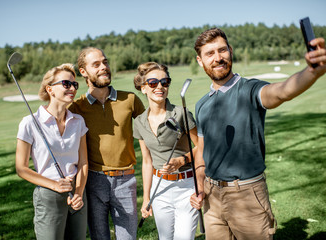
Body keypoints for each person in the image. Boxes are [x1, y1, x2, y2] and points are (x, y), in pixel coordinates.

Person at [190, 27, 326, 240]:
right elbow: (201, 151)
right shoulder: (202, 105)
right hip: (212, 198)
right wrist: (199, 184)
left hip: (246, 195)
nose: (218, 58)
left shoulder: (249, 89)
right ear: (200, 61)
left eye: (222, 50)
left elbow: (281, 92)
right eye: (210, 53)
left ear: (231, 51)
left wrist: (312, 71)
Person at [68, 47, 145, 240]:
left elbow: (152, 130)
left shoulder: (130, 100)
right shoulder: (76, 107)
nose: (104, 67)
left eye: (105, 62)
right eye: (96, 64)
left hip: (126, 180)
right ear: (83, 71)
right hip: (93, 182)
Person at [15, 63, 88, 240]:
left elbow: (83, 162)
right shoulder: (30, 123)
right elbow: (21, 168)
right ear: (50, 89)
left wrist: (78, 193)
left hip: (77, 193)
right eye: (66, 84)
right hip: (48, 194)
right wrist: (54, 185)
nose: (72, 88)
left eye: (74, 85)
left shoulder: (78, 121)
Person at [133, 62, 199, 239]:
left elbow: (202, 148)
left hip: (186, 186)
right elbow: (147, 162)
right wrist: (146, 198)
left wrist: (181, 160)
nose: (160, 86)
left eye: (165, 82)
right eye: (153, 83)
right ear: (143, 87)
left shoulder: (181, 113)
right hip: (159, 187)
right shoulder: (139, 122)